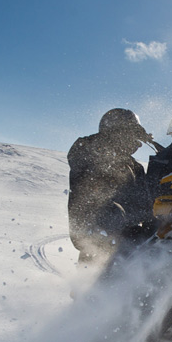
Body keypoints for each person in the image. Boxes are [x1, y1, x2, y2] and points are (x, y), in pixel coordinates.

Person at [68, 108, 156, 265]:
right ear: (114, 132)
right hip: (97, 241)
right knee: (96, 288)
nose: (133, 138)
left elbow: (146, 208)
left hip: (130, 248)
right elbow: (84, 150)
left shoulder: (135, 168)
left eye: (134, 132)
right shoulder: (89, 153)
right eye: (129, 131)